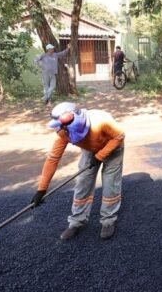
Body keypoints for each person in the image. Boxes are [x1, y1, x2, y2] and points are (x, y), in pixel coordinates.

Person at [31, 102, 125, 241]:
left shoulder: (101, 121)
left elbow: (119, 136)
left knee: (110, 183)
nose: (65, 130)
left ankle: (108, 221)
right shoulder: (63, 132)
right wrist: (42, 189)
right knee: (83, 182)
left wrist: (100, 156)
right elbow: (53, 158)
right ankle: (76, 221)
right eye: (63, 127)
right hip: (90, 149)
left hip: (113, 146)